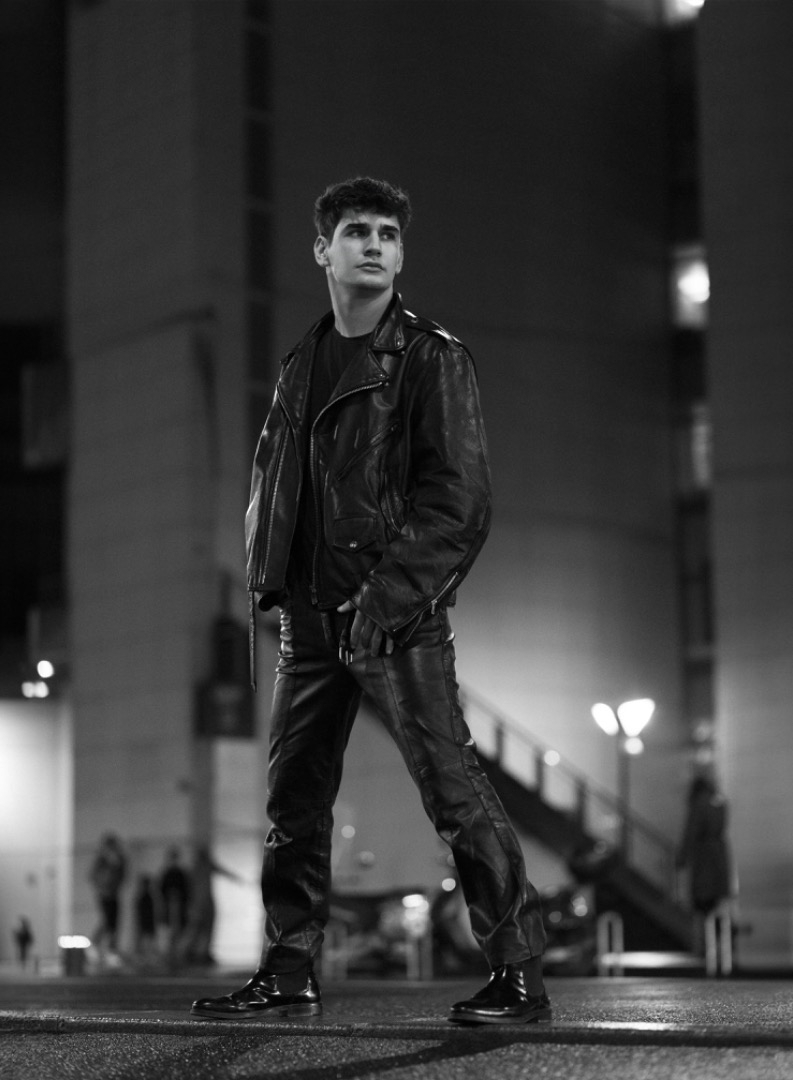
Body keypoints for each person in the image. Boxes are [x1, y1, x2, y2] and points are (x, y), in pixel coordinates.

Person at [192, 177, 549, 1025]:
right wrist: (273, 583)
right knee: (293, 803)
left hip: (393, 616)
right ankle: (287, 970)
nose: (375, 246)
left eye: (388, 234)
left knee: (452, 789)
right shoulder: (301, 364)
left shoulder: (429, 357)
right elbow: (277, 484)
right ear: (323, 250)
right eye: (357, 232)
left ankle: (518, 973)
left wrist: (385, 600)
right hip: (309, 618)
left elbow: (459, 503)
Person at [677, 775, 732, 919]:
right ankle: (717, 926)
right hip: (719, 854)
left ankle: (703, 927)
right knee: (716, 900)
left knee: (702, 899)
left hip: (704, 857)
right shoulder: (720, 803)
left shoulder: (698, 804)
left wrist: (682, 858)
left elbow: (690, 832)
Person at [89, 832, 127, 965]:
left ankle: (111, 950)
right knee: (106, 922)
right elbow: (94, 876)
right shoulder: (101, 860)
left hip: (114, 894)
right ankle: (96, 946)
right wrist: (102, 888)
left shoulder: (118, 859)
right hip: (104, 895)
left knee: (113, 924)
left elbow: (122, 875)